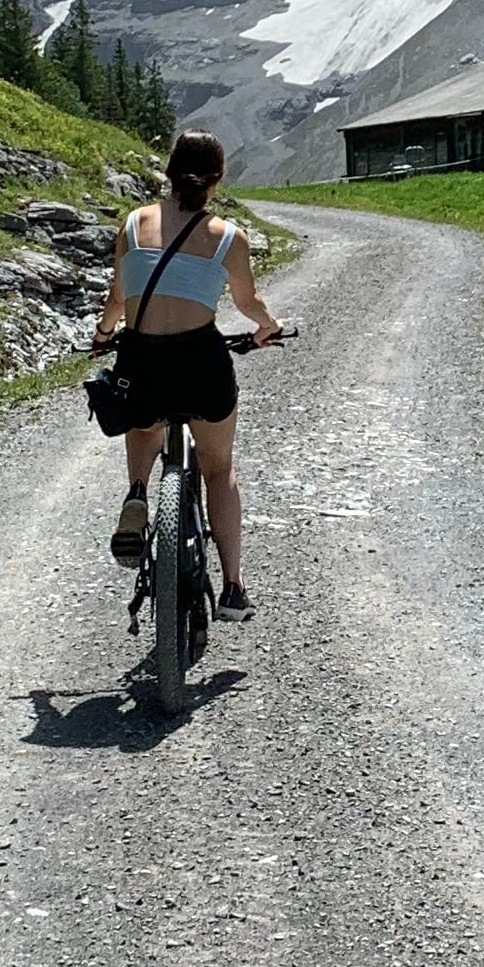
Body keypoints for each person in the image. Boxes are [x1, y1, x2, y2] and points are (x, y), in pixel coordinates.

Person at [92, 128, 281, 613]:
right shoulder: (228, 238)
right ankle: (234, 587)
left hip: (142, 358)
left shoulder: (133, 225)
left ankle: (137, 492)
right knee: (219, 470)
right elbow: (248, 302)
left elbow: (117, 300)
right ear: (216, 180)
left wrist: (103, 335)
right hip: (200, 362)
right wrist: (268, 326)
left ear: (169, 172)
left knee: (142, 415)